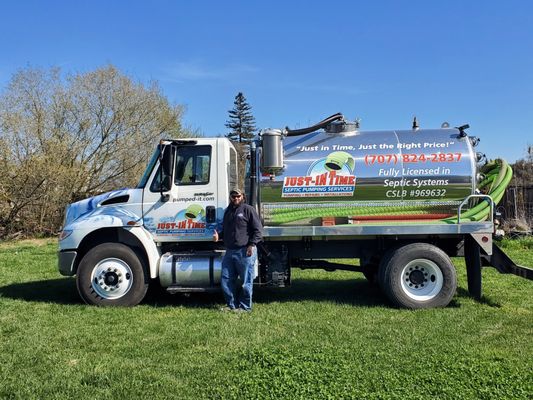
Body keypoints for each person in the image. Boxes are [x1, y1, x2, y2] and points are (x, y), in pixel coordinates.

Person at [213, 188, 263, 312]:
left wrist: (251, 245)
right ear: (230, 197)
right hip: (230, 251)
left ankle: (245, 307)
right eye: (233, 196)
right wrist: (218, 236)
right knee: (226, 279)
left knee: (246, 281)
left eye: (238, 196)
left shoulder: (248, 210)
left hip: (245, 251)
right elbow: (225, 231)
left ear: (243, 196)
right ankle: (232, 305)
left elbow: (258, 230)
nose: (236, 199)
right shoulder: (227, 212)